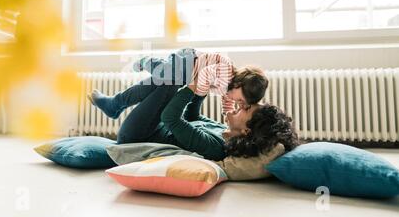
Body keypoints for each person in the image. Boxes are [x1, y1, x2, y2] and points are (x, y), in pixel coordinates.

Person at [88, 77, 299, 161]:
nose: (241, 105)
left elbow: (171, 118)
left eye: (247, 109)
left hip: (137, 136)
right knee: (171, 77)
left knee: (170, 79)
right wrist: (201, 91)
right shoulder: (222, 129)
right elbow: (192, 117)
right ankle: (114, 104)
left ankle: (114, 105)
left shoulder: (216, 147)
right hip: (156, 127)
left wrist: (191, 88)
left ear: (246, 131)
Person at [90, 48, 269, 118]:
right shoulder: (227, 70)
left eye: (241, 104)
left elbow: (227, 105)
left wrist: (229, 115)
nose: (238, 103)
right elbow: (205, 74)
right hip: (187, 62)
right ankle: (146, 61)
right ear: (239, 85)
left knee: (158, 82)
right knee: (162, 73)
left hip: (186, 75)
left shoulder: (228, 91)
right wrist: (196, 102)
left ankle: (116, 104)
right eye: (240, 99)